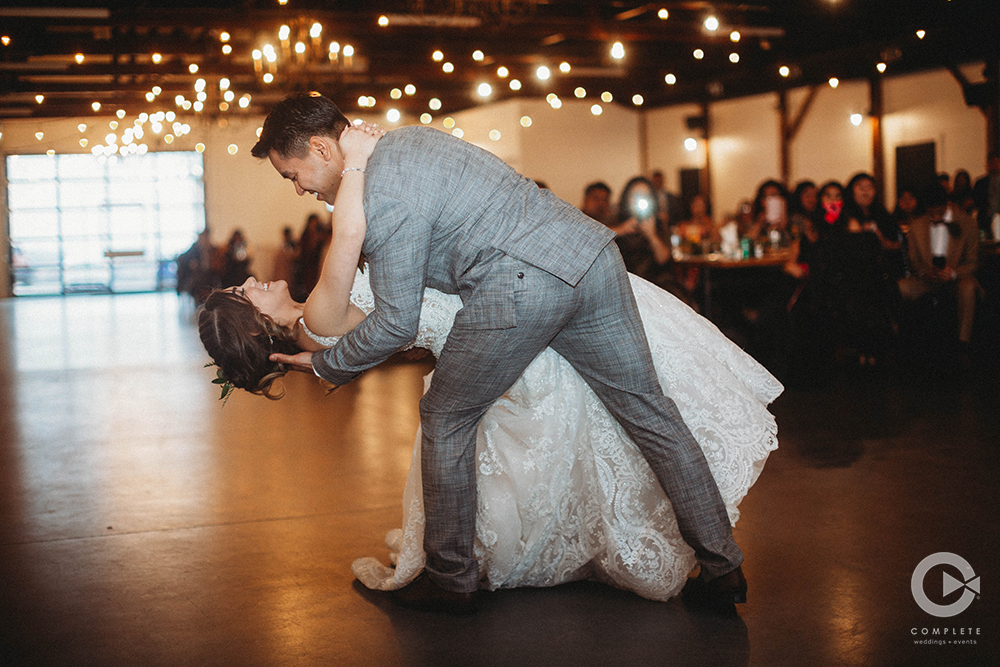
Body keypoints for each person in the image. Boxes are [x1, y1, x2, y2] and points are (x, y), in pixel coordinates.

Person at [200, 110, 780, 616]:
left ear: (322, 149)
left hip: (522, 285)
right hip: (591, 254)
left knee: (446, 418)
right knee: (650, 412)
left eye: (292, 174)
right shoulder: (405, 142)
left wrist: (326, 368)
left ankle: (451, 582)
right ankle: (723, 567)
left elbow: (397, 321)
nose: (298, 188)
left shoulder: (380, 192)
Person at [898, 183, 979, 348]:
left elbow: (973, 261)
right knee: (900, 287)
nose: (935, 218)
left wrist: (954, 273)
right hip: (927, 278)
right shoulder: (917, 226)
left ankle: (963, 342)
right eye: (930, 214)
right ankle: (899, 338)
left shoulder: (967, 223)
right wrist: (925, 273)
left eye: (939, 213)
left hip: (957, 279)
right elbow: (914, 260)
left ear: (947, 205)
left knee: (968, 287)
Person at [973, 152, 1000, 238]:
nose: (994, 166)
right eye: (991, 163)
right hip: (984, 218)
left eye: (996, 163)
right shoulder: (980, 182)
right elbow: (976, 201)